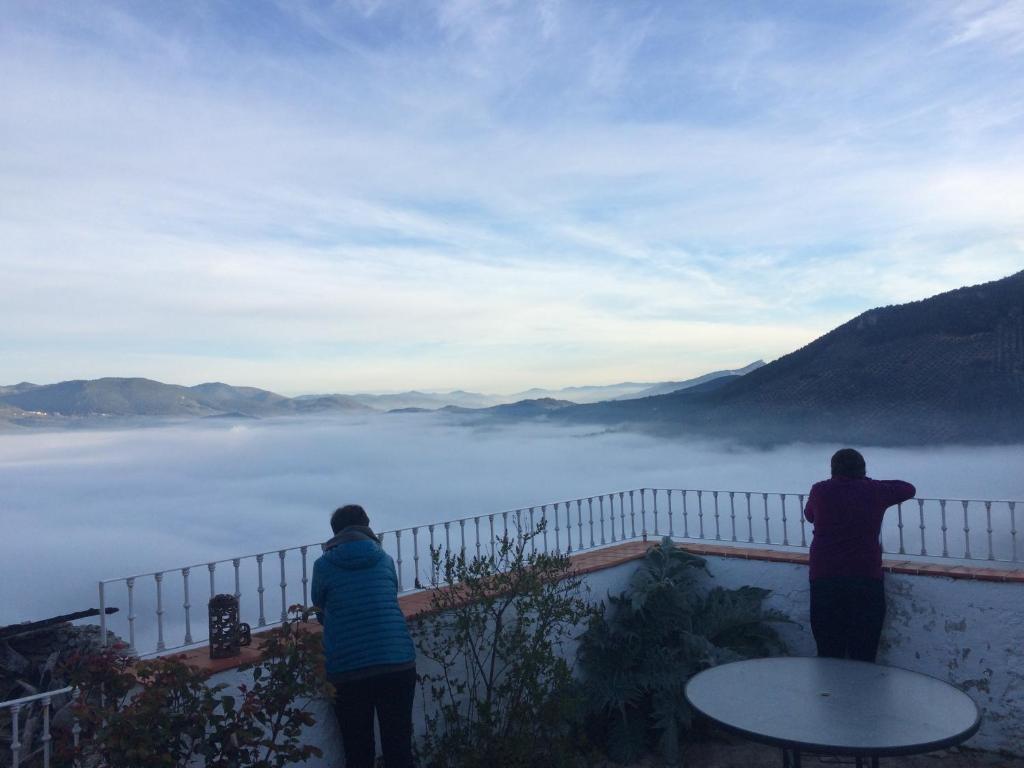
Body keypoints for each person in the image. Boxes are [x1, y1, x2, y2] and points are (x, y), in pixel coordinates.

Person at [311, 504, 417, 768]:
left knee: (358, 753)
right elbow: (387, 599)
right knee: (399, 748)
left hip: (348, 669)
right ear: (367, 527)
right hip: (397, 662)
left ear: (336, 532)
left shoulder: (323, 566)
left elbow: (321, 612)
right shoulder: (384, 559)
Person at [803, 449, 915, 662]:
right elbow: (908, 488)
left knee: (828, 649)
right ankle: (863, 694)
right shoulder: (875, 490)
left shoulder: (819, 490)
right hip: (865, 576)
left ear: (833, 469)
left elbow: (809, 516)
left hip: (824, 576)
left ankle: (826, 693)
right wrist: (868, 482)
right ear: (862, 469)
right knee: (864, 649)